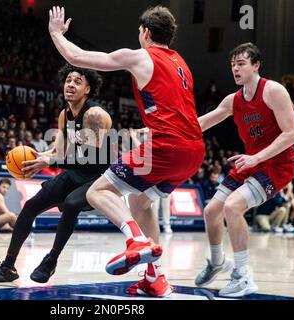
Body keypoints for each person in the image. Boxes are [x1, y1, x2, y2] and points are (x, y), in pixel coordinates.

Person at [48, 6, 205, 297]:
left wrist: (56, 33)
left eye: (139, 32)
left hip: (167, 147)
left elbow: (76, 58)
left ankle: (136, 240)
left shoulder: (141, 56)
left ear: (145, 32)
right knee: (141, 202)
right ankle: (155, 277)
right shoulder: (182, 63)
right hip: (193, 151)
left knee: (98, 192)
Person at [0, 64, 113, 283]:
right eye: (68, 80)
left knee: (71, 203)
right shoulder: (65, 114)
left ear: (88, 89)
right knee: (30, 207)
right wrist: (38, 156)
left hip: (99, 177)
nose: (70, 84)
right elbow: (59, 151)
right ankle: (8, 267)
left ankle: (51, 260)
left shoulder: (95, 115)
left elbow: (90, 156)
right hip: (74, 172)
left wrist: (50, 160)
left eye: (77, 82)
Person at [195, 43, 294, 297]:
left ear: (256, 65)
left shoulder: (274, 91)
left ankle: (243, 276)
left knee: (232, 207)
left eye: (241, 63)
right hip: (252, 161)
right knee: (211, 211)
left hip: (277, 164)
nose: (236, 69)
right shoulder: (234, 100)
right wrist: (161, 133)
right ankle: (218, 261)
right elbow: (202, 122)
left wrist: (257, 158)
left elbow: (292, 133)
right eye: (232, 65)